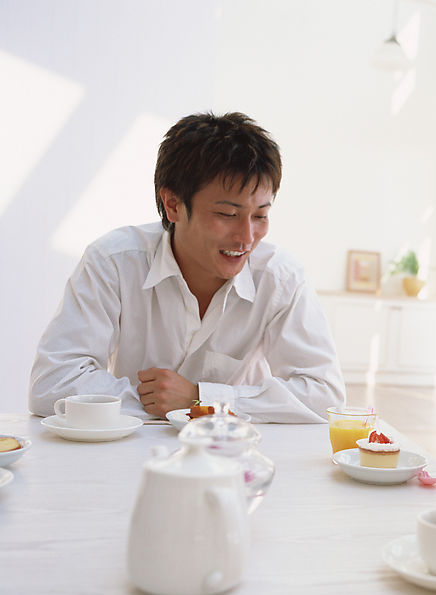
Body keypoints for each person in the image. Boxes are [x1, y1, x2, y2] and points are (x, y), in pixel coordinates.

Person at [29, 112, 346, 423]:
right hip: (130, 454)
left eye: (260, 216)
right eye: (227, 214)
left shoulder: (280, 277)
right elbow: (52, 385)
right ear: (173, 204)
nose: (247, 237)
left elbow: (324, 396)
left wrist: (202, 399)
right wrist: (162, 402)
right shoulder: (113, 261)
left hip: (237, 456)